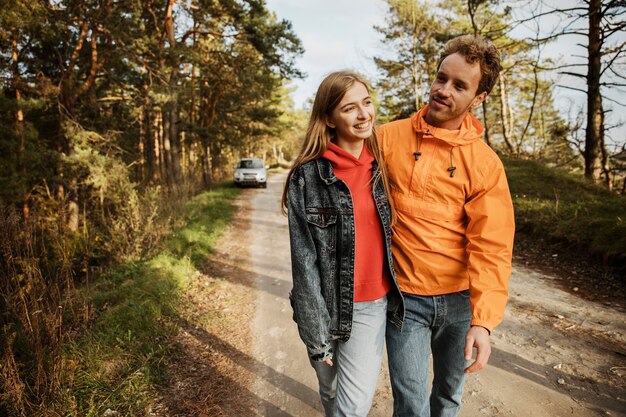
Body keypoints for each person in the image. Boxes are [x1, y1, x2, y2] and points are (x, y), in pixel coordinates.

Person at [378, 35, 516, 417]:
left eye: (459, 85)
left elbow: (492, 246)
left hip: (460, 304)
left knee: (448, 400)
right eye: (441, 78)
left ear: (479, 97)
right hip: (404, 300)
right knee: (411, 404)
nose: (442, 90)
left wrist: (483, 322)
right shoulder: (387, 138)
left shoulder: (485, 164)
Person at [281, 71, 404, 417]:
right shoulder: (306, 177)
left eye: (367, 103)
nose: (364, 114)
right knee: (330, 390)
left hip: (368, 306)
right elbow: (303, 264)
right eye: (350, 108)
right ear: (329, 119)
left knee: (351, 409)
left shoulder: (383, 168)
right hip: (320, 306)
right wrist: (318, 337)